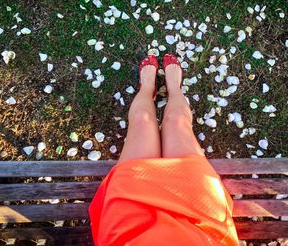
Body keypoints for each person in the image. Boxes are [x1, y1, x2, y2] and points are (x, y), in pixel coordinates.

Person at [88, 54, 239, 246]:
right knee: (177, 122)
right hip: (201, 223)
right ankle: (172, 89)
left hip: (129, 225)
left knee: (142, 121)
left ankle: (149, 89)